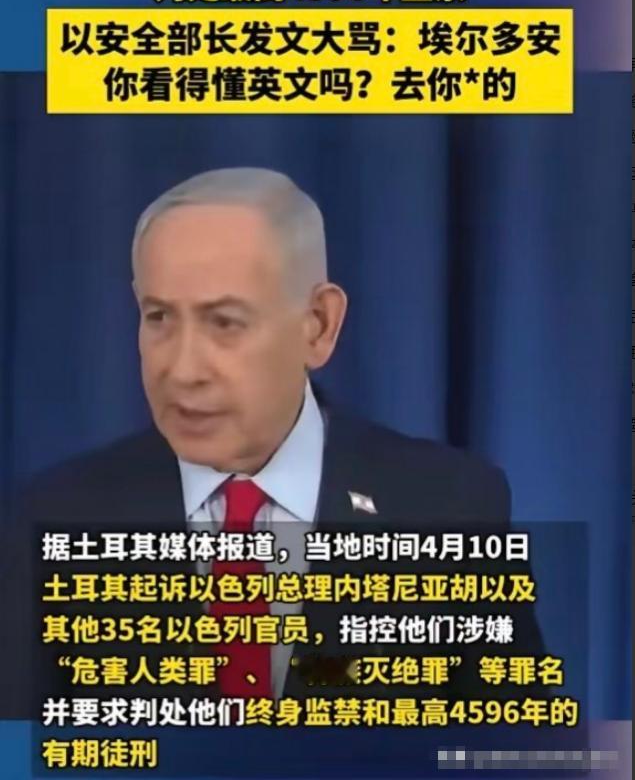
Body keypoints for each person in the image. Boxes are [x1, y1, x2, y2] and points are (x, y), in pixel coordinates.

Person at [2, 168, 542, 715]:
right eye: (159, 317)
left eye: (224, 323)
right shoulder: (52, 516)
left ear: (319, 325)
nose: (182, 370)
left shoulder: (450, 506)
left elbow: (516, 745)